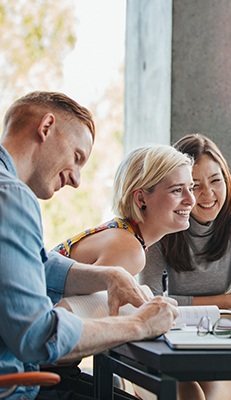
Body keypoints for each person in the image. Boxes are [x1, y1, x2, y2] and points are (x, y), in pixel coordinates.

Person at [0, 91, 178, 400]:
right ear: (46, 127)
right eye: (77, 157)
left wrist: (109, 276)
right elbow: (38, 336)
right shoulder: (12, 196)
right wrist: (138, 325)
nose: (76, 179)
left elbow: (38, 265)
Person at [140, 133, 231, 400]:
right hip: (162, 348)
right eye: (194, 185)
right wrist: (225, 300)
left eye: (216, 180)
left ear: (226, 179)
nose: (207, 194)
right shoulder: (160, 224)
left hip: (216, 347)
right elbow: (152, 303)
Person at [53, 144, 195, 276]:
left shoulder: (124, 234)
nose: (191, 200)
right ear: (141, 199)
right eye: (177, 190)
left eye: (191, 188)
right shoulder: (129, 249)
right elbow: (67, 303)